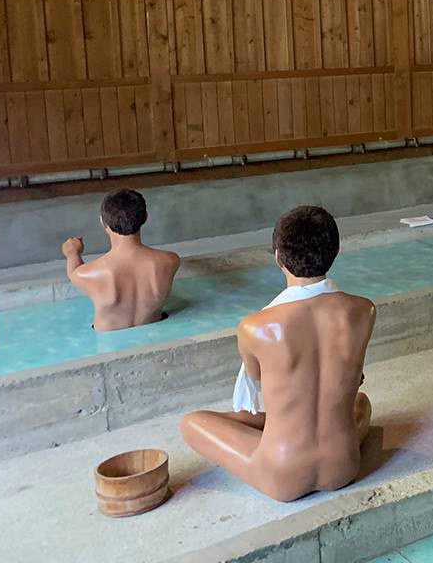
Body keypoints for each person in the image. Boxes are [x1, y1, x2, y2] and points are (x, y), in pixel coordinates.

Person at [180, 206, 375, 503]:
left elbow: (258, 383)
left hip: (281, 475)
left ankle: (279, 439)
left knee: (193, 422)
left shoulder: (254, 326)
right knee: (360, 402)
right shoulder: (365, 310)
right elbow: (354, 378)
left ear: (277, 258)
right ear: (336, 250)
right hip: (344, 466)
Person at [61, 189, 180, 331]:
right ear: (145, 217)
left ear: (102, 222)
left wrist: (73, 253)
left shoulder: (87, 274)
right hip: (153, 335)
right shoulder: (170, 261)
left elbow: (73, 272)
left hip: (106, 344)